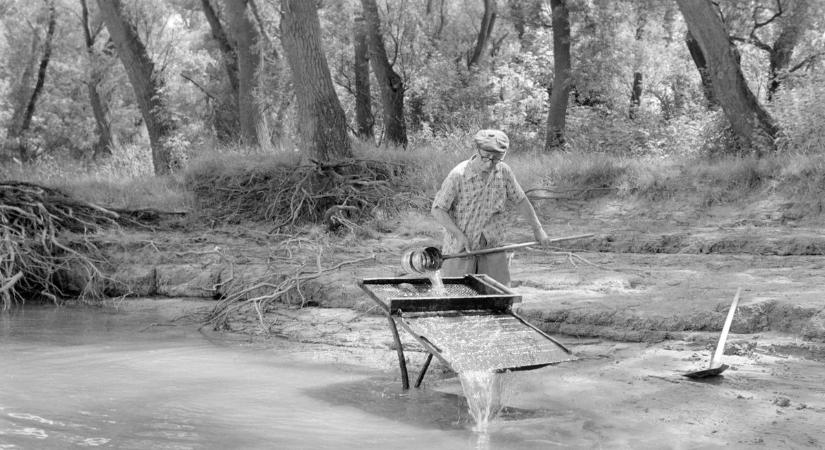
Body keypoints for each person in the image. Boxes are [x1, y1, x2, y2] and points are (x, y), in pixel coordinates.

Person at [431, 129, 553, 287]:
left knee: (497, 298)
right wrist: (458, 235)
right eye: (485, 158)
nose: (489, 164)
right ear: (476, 150)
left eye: (495, 159)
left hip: (492, 249)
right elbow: (437, 209)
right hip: (460, 250)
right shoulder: (458, 175)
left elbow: (521, 200)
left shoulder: (504, 171)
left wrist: (538, 229)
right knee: (456, 299)